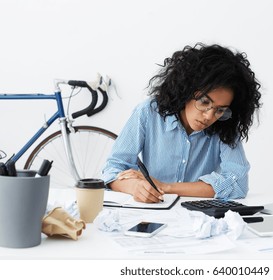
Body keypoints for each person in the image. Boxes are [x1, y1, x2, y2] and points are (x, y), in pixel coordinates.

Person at [102, 43, 262, 203]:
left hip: (200, 218)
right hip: (153, 212)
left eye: (220, 110)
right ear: (186, 90)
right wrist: (134, 187)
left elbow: (238, 184)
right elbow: (113, 169)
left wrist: (166, 187)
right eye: (204, 102)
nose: (209, 116)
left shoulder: (225, 126)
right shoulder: (148, 112)